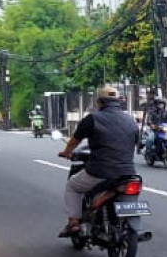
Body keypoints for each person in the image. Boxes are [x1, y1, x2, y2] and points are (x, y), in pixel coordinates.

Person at [58, 85, 139, 237]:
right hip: (127, 173)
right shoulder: (130, 120)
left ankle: (74, 223)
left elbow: (75, 140)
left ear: (99, 102)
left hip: (100, 171)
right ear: (118, 101)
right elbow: (136, 143)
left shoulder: (93, 118)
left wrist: (66, 152)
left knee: (73, 186)